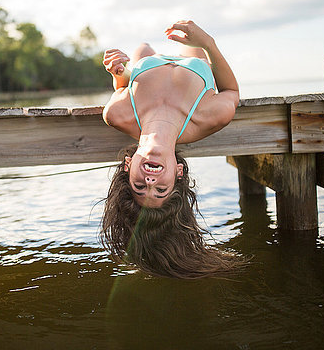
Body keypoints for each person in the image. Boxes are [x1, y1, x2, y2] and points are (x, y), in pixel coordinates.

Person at [100, 20, 242, 278]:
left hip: (146, 67)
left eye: (141, 187)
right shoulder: (208, 117)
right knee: (191, 49)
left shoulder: (118, 114)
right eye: (160, 189)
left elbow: (122, 87)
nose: (150, 180)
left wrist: (118, 72)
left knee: (142, 48)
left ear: (128, 166)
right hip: (194, 61)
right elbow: (231, 90)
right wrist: (207, 43)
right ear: (177, 172)